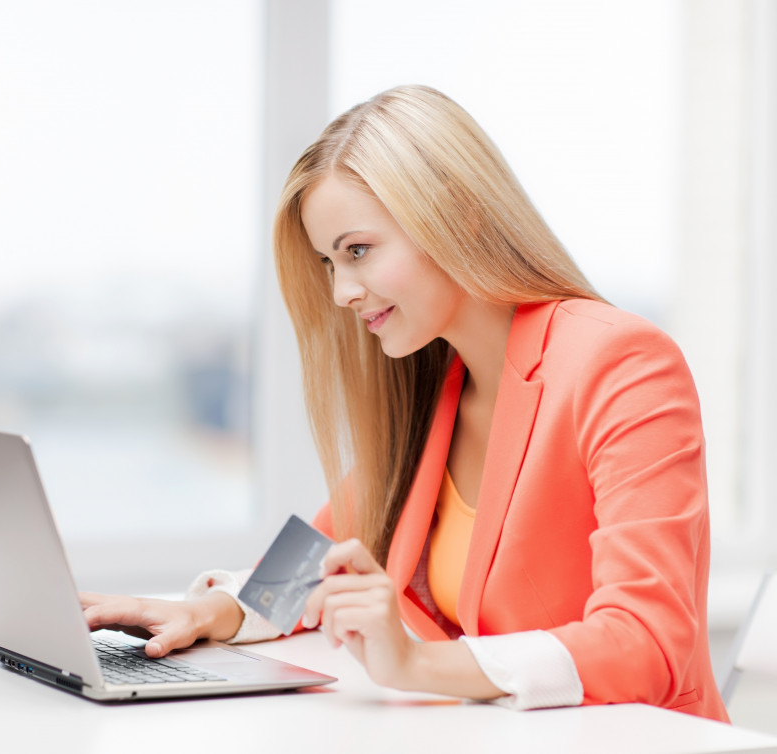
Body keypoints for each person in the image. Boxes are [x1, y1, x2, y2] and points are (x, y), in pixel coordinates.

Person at [80, 85, 729, 722]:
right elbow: (316, 561)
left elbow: (649, 639)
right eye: (330, 263)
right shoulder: (440, 387)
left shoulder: (622, 364)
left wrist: (417, 665)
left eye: (357, 251)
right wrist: (202, 615)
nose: (340, 292)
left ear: (458, 216)